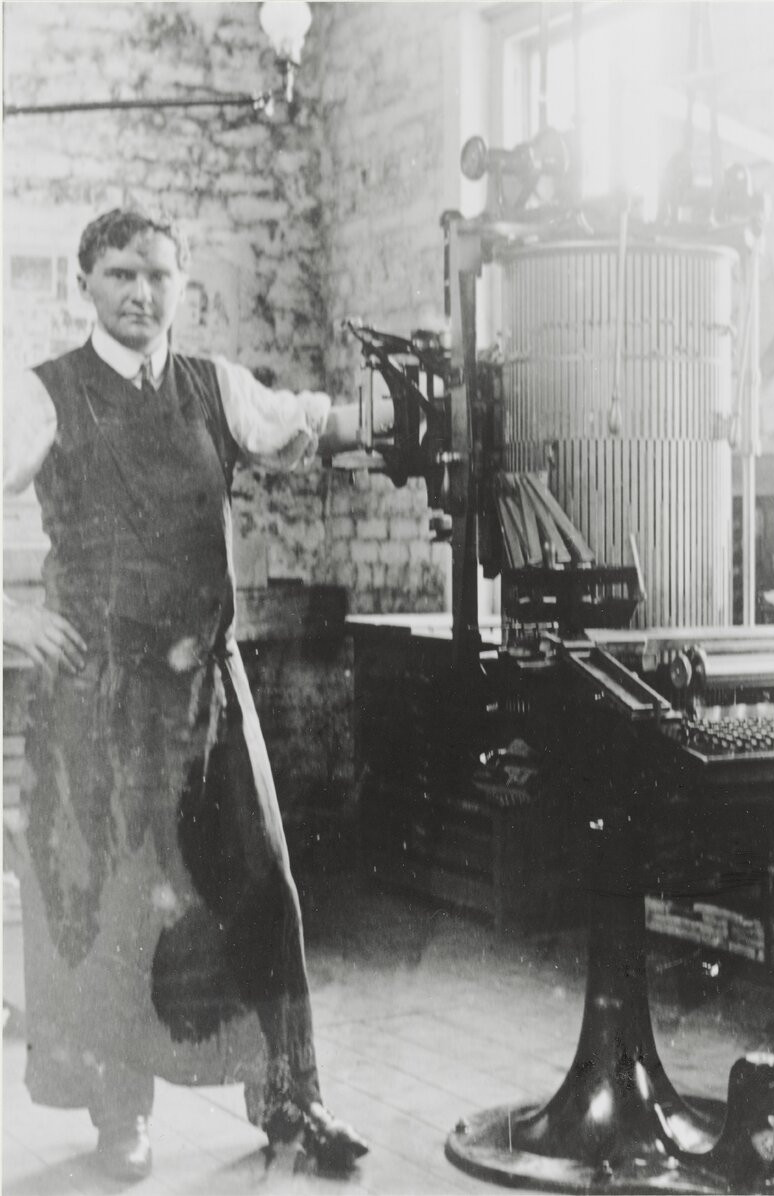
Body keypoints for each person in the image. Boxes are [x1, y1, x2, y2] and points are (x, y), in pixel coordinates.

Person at [2, 207, 378, 1182]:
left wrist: (376, 416)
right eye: (123, 274)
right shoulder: (41, 399)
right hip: (97, 704)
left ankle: (293, 1103)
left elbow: (303, 423)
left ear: (181, 283)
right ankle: (119, 1117)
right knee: (112, 912)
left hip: (209, 692)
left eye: (160, 275)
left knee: (260, 889)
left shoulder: (215, 389)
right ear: (85, 282)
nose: (142, 292)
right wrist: (11, 621)